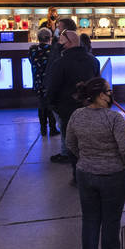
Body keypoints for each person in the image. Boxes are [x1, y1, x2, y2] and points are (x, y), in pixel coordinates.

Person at [65, 78, 125, 249]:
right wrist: (124, 165)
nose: (111, 94)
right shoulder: (114, 119)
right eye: (109, 91)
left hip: (86, 175)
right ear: (102, 95)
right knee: (111, 220)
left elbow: (70, 143)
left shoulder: (77, 116)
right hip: (113, 176)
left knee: (90, 219)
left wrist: (85, 160)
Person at [45, 31, 99, 166]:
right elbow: (97, 83)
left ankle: (77, 174)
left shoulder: (60, 63)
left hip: (66, 110)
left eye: (60, 41)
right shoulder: (93, 60)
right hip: (89, 108)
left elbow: (53, 87)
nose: (58, 44)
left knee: (72, 143)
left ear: (68, 44)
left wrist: (52, 104)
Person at [28, 28, 57, 136]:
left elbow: (31, 61)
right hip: (50, 81)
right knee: (51, 105)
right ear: (50, 38)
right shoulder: (53, 50)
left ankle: (43, 129)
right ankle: (53, 128)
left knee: (41, 104)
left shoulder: (32, 50)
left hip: (37, 81)